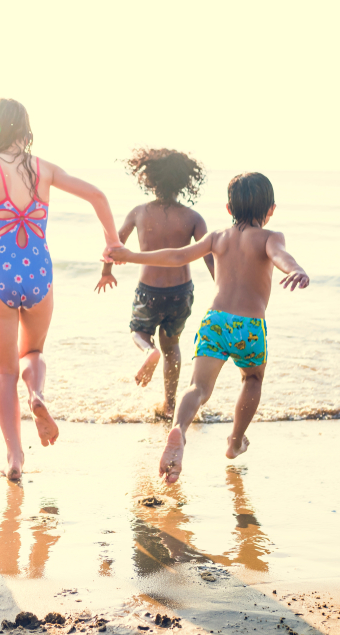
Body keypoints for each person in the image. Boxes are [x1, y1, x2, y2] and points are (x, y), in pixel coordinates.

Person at [0, 98, 121, 480]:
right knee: (32, 351)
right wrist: (111, 245)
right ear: (25, 129)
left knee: (3, 372)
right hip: (39, 276)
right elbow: (98, 195)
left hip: (0, 273)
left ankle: (15, 457)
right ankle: (37, 396)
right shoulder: (43, 168)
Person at [108, 172, 309, 484]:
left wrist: (131, 255)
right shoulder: (270, 237)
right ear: (270, 210)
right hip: (249, 326)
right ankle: (235, 441)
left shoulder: (217, 237)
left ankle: (179, 430)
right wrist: (294, 268)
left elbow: (176, 256)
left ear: (229, 209)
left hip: (214, 320)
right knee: (253, 379)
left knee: (198, 389)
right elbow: (280, 257)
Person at [95, 148, 215, 418]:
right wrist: (222, 286)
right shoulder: (193, 217)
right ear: (186, 182)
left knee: (138, 332)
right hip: (181, 294)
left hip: (149, 292)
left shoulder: (139, 212)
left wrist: (106, 272)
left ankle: (148, 351)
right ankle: (170, 404)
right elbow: (209, 256)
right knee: (172, 346)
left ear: (149, 179)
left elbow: (114, 245)